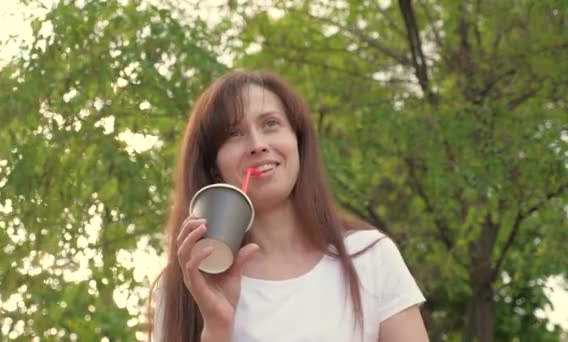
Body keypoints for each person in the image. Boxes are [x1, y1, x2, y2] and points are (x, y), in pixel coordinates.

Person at [148, 70, 429, 342]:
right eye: (234, 133)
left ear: (298, 142)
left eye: (270, 124)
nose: (257, 145)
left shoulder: (371, 258)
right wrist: (217, 330)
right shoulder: (183, 289)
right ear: (215, 166)